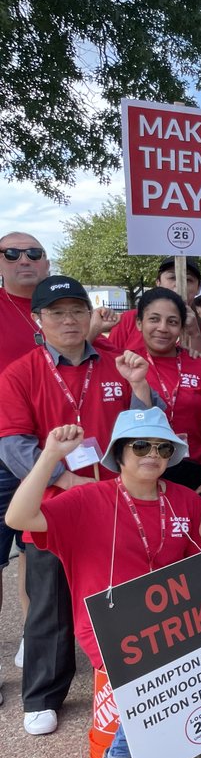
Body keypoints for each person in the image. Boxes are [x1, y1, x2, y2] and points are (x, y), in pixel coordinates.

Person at [5, 409, 201, 758]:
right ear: (119, 454)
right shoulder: (87, 499)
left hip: (169, 613)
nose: (151, 453)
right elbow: (19, 518)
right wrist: (50, 456)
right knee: (154, 652)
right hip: (110, 622)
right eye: (140, 445)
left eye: (162, 447)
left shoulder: (182, 499)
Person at [0, 275, 160, 736]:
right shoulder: (20, 372)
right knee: (50, 599)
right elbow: (12, 443)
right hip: (53, 503)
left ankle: (133, 684)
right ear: (39, 320)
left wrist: (140, 385)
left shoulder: (119, 362)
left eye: (76, 311)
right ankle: (43, 695)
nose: (69, 320)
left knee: (122, 592)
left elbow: (150, 427)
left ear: (90, 315)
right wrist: (64, 478)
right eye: (57, 313)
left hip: (118, 500)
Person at [0, 231, 53, 695]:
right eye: (12, 253)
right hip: (4, 451)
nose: (24, 260)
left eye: (33, 253)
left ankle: (31, 640)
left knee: (35, 554)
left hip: (51, 453)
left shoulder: (60, 314)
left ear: (46, 263)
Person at [130, 289, 201, 490]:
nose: (163, 328)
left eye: (173, 322)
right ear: (139, 323)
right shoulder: (127, 364)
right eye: (154, 319)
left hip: (194, 472)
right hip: (142, 471)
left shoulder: (198, 364)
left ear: (182, 327)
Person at [106, 257, 201, 355]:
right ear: (158, 283)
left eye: (188, 280)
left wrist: (195, 334)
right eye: (172, 278)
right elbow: (109, 359)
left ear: (199, 288)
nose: (179, 284)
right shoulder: (128, 320)